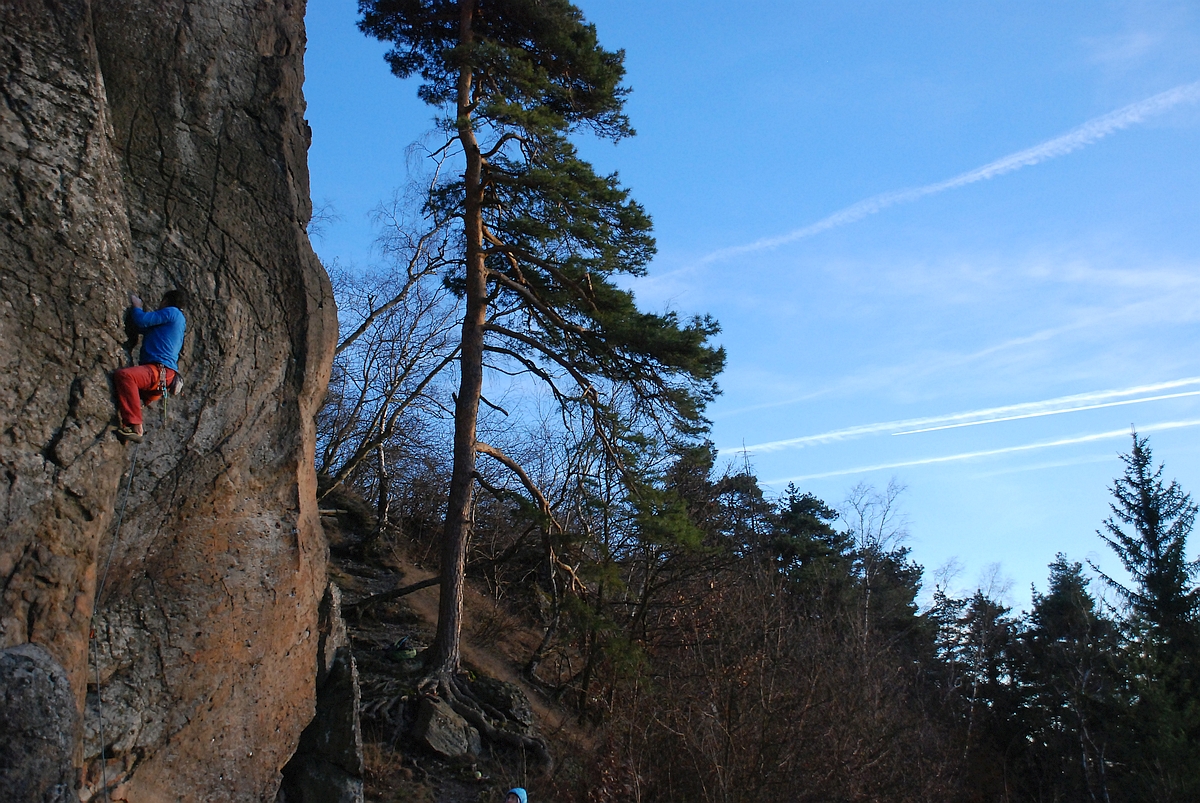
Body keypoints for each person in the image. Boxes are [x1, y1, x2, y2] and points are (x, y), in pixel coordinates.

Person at [113, 289, 187, 443]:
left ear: (166, 301)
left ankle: (136, 427)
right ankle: (129, 427)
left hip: (158, 372)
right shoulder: (175, 322)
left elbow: (142, 321)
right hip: (163, 379)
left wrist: (137, 306)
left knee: (126, 376)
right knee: (134, 396)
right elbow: (142, 327)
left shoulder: (172, 312)